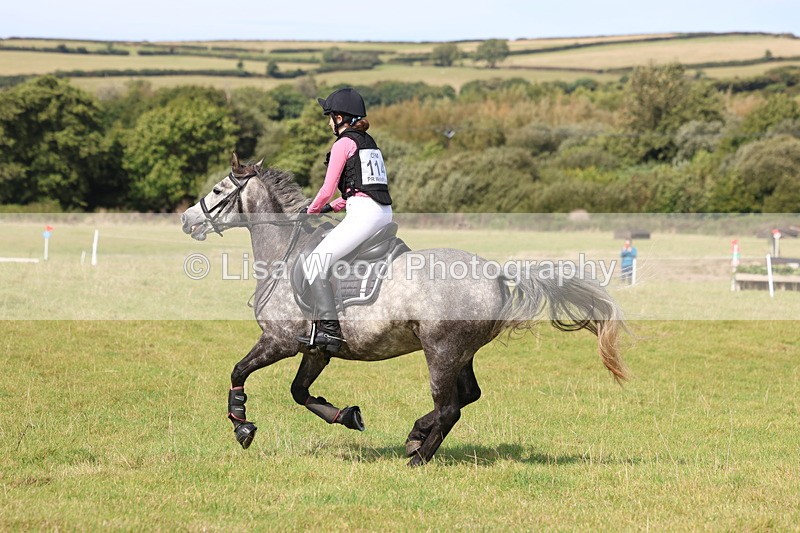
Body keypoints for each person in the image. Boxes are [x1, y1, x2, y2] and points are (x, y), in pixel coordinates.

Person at [296, 87, 393, 353]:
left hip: (364, 215)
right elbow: (361, 188)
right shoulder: (369, 143)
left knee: (315, 262)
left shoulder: (343, 143)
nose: (329, 122)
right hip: (382, 212)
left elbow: (327, 187)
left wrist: (311, 211)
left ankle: (330, 332)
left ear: (340, 118)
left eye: (330, 117)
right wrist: (331, 208)